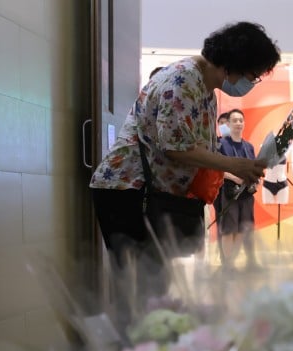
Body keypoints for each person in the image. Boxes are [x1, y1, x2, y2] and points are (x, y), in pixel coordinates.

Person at [89, 22, 279, 268]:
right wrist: (233, 164)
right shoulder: (183, 81)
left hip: (151, 192)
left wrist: (234, 170)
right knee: (141, 284)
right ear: (234, 63)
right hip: (129, 189)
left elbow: (197, 149)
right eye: (253, 76)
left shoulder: (205, 88)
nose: (251, 83)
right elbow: (176, 147)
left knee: (156, 282)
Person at [216, 108, 260, 270]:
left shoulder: (249, 147)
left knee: (243, 229)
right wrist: (234, 178)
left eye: (241, 120)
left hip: (247, 194)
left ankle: (232, 261)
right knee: (228, 229)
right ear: (227, 124)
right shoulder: (221, 144)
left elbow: (254, 168)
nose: (238, 123)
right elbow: (217, 169)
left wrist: (254, 178)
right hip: (229, 192)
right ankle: (227, 265)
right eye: (234, 120)